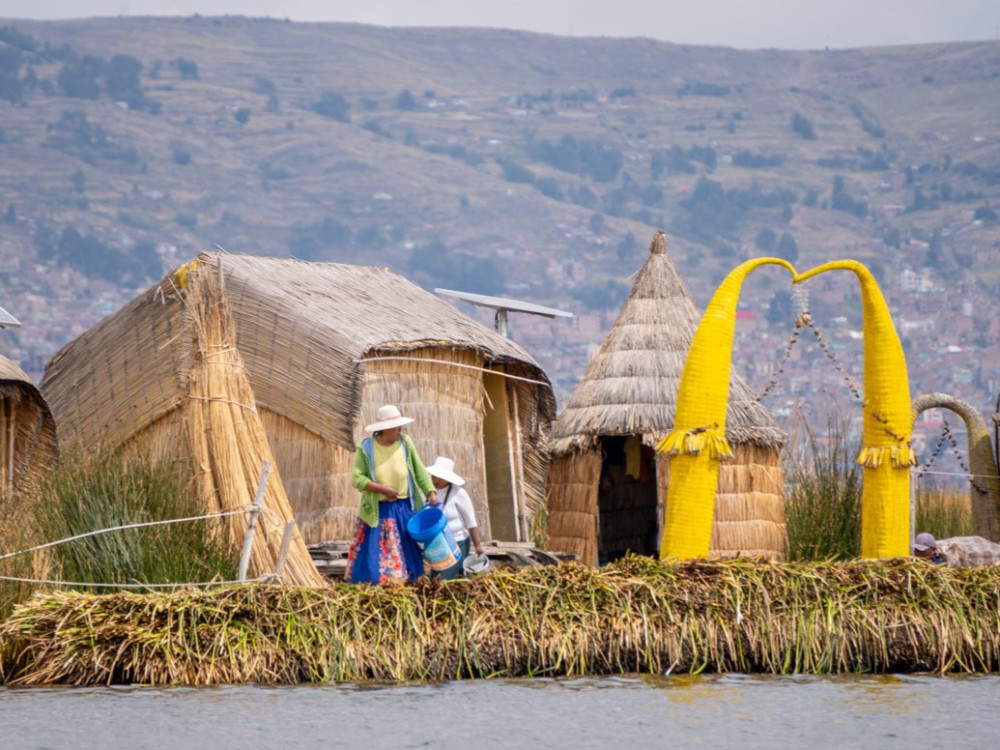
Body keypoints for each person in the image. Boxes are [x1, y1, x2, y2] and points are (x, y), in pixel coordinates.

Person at [345, 404, 438, 584]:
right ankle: (379, 585)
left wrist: (430, 492)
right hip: (378, 510)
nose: (400, 431)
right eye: (396, 428)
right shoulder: (366, 448)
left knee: (407, 550)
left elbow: (419, 471)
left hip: (403, 507)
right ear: (384, 429)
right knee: (376, 555)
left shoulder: (405, 443)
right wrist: (382, 489)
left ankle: (409, 584)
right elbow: (357, 479)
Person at [424, 455, 484, 580]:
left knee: (443, 580)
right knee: (438, 579)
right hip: (436, 544)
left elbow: (471, 522)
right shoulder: (426, 492)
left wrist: (478, 545)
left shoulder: (458, 493)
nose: (436, 480)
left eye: (440, 477)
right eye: (434, 476)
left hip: (457, 542)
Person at [913, 531, 1000, 568]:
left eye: (922, 551)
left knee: (985, 550)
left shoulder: (942, 557)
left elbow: (952, 562)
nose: (918, 553)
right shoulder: (916, 560)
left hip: (966, 551)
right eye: (917, 550)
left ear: (933, 549)